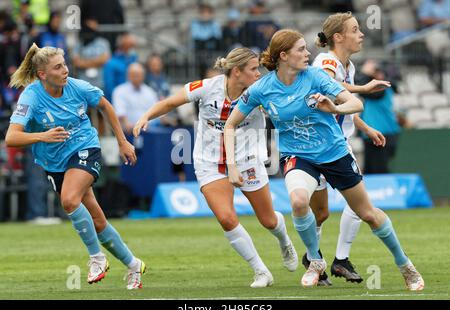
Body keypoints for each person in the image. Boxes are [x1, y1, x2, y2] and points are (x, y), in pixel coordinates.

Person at [224, 29, 424, 290]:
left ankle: (405, 265)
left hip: (334, 152)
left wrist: (335, 108)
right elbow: (230, 124)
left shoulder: (316, 76)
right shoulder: (262, 88)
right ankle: (316, 259)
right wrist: (232, 165)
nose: (308, 54)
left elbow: (356, 104)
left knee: (368, 214)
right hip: (298, 155)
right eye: (301, 50)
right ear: (283, 55)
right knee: (298, 202)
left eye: (306, 49)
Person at [134, 47, 298, 288]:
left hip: (248, 160)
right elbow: (170, 102)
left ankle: (284, 240)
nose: (258, 73)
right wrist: (145, 116)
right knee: (226, 218)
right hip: (209, 162)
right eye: (253, 69)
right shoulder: (205, 87)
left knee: (268, 220)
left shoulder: (260, 92)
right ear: (236, 72)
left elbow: (285, 110)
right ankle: (261, 271)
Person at [6, 43, 146, 290]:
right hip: (54, 162)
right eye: (58, 67)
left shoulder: (78, 87)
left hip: (85, 148)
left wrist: (123, 142)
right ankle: (134, 264)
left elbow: (105, 105)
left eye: (65, 64)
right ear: (42, 74)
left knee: (69, 200)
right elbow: (12, 137)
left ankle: (96, 258)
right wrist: (42, 136)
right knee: (97, 220)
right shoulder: (30, 96)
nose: (65, 70)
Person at [309, 12, 391, 284]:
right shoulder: (326, 61)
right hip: (315, 145)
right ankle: (313, 259)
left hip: (338, 144)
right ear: (338, 37)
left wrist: (366, 128)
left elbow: (342, 103)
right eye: (355, 30)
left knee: (358, 203)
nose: (362, 34)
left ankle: (340, 260)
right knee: (320, 212)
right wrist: (364, 88)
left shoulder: (349, 66)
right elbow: (331, 88)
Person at [357, 60, 402, 173]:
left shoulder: (382, 88)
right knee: (370, 171)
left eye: (378, 72)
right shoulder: (381, 88)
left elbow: (362, 88)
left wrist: (365, 73)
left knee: (379, 171)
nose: (376, 76)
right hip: (373, 135)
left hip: (382, 135)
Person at [113, 63, 159, 135]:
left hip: (149, 131)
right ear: (128, 75)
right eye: (134, 75)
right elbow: (120, 113)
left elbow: (155, 111)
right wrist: (128, 125)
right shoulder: (119, 91)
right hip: (127, 133)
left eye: (139, 75)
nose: (136, 77)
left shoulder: (150, 91)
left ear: (143, 76)